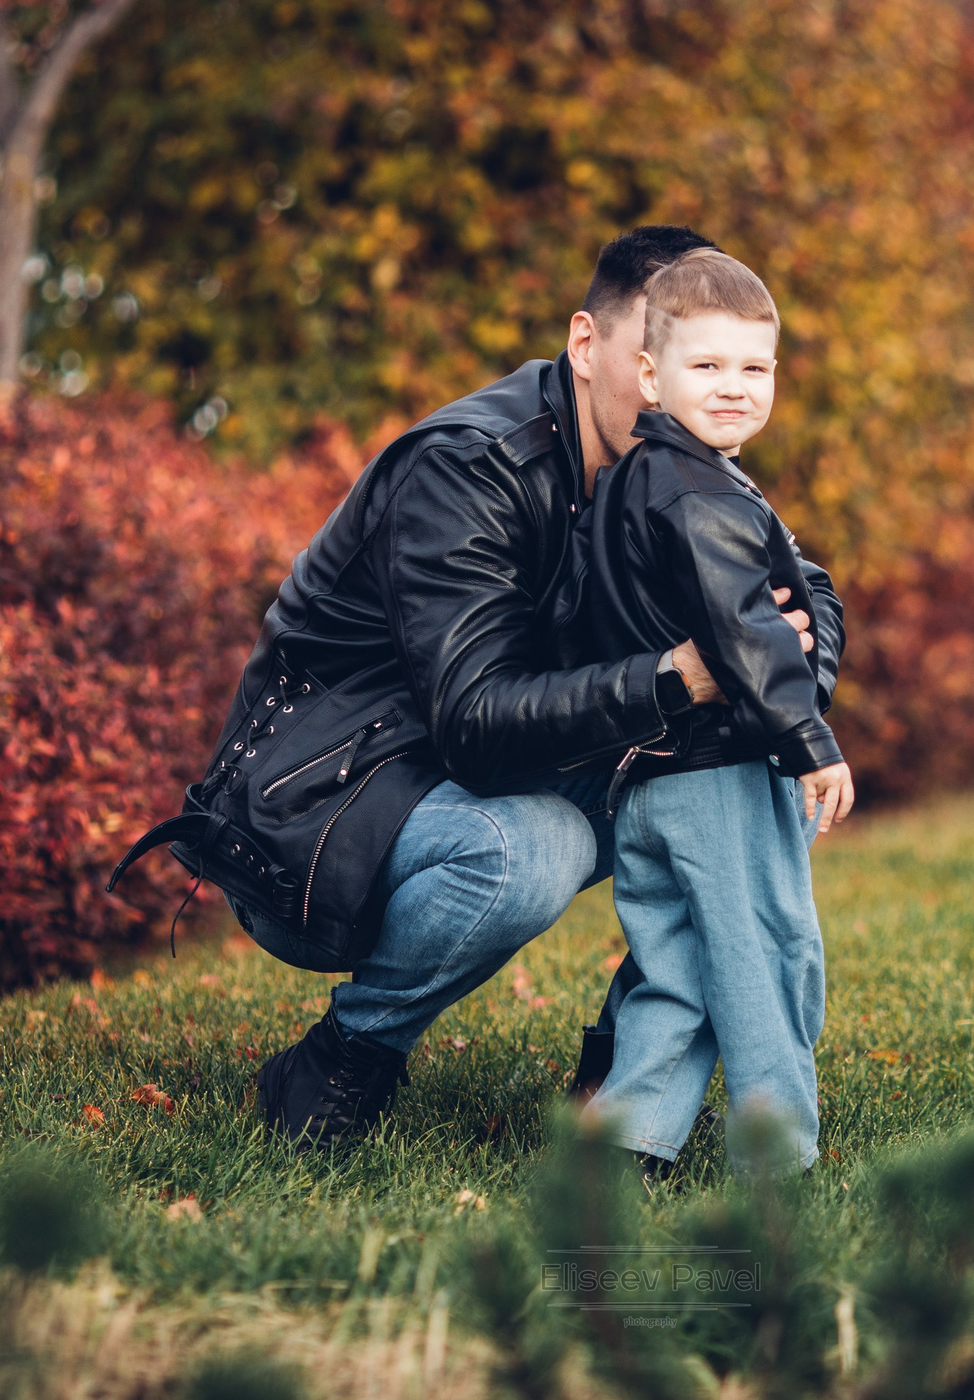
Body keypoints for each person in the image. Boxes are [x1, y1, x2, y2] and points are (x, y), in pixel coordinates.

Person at [105, 226, 843, 1146]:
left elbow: (805, 590)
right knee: (535, 848)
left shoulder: (682, 457)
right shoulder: (469, 467)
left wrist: (782, 688)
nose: (714, 386)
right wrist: (684, 676)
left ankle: (626, 1084)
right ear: (592, 345)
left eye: (737, 365)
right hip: (326, 812)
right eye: (677, 359)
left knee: (745, 778)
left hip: (492, 766)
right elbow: (477, 724)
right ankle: (348, 1053)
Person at [562, 251, 854, 1176]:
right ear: (650, 375)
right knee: (767, 960)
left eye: (754, 366)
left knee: (680, 970)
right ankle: (778, 1155)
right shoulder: (700, 491)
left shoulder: (635, 478)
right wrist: (809, 740)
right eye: (708, 365)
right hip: (719, 775)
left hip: (650, 779)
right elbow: (744, 631)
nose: (734, 386)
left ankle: (627, 1141)